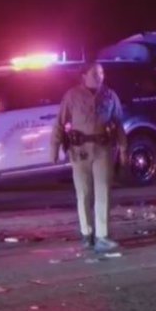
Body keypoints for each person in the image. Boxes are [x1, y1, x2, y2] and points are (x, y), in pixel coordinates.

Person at [51, 60, 128, 253]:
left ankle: (102, 236)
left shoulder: (110, 96)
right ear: (84, 76)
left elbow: (118, 123)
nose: (99, 76)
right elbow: (60, 123)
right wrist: (54, 147)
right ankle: (87, 233)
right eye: (94, 73)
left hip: (103, 149)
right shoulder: (72, 96)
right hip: (80, 151)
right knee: (84, 193)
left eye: (101, 73)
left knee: (103, 192)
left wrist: (124, 148)